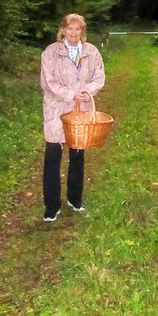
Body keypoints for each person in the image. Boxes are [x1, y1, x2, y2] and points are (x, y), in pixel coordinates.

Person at [40, 13, 105, 222]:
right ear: (63, 30)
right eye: (70, 28)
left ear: (82, 31)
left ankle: (75, 199)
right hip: (56, 110)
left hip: (80, 111)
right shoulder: (51, 52)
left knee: (77, 155)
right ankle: (52, 206)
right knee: (53, 155)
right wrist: (70, 94)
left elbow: (99, 77)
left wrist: (87, 91)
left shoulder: (91, 52)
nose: (74, 33)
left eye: (78, 29)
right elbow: (48, 82)